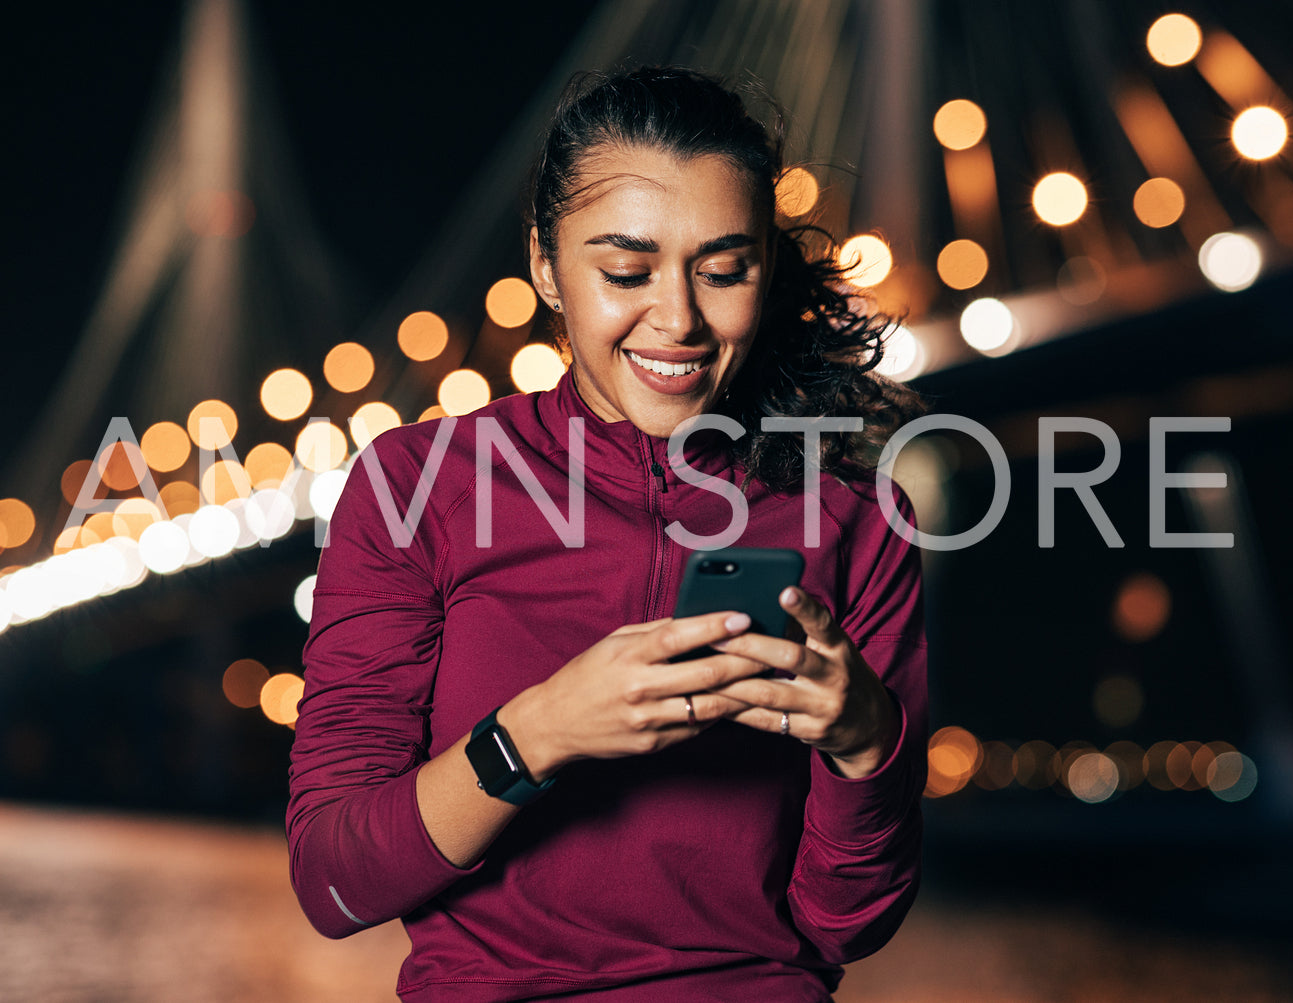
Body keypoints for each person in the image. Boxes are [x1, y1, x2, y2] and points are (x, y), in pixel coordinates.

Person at [288, 66, 929, 1002]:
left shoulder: (859, 516)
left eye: (722, 270)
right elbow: (334, 882)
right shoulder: (415, 484)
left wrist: (867, 739)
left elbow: (848, 925)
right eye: (625, 271)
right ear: (545, 265)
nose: (677, 318)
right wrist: (538, 733)